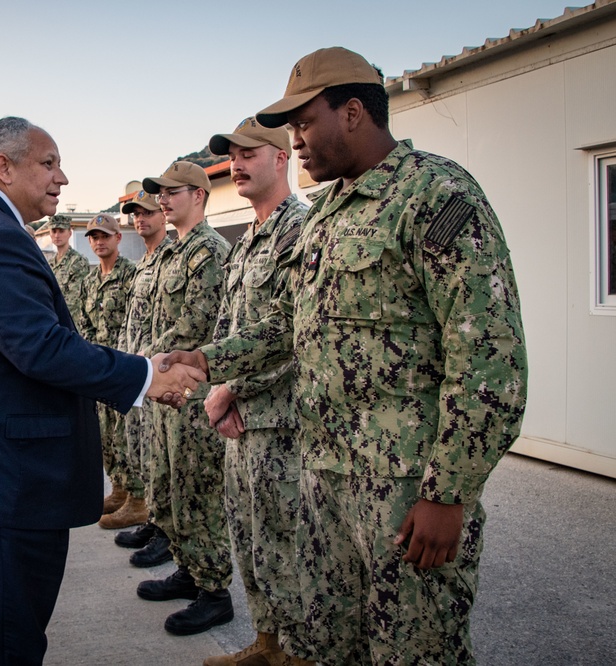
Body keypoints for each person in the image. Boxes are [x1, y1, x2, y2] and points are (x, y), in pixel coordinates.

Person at [165, 47, 528, 665]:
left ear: (354, 112)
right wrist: (206, 357)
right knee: (330, 647)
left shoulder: (435, 195)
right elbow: (291, 324)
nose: (297, 141)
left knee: (414, 650)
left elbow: (490, 364)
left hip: (404, 492)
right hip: (324, 482)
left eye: (305, 124)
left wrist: (448, 492)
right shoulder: (329, 213)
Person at [0, 116, 203, 665]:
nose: (62, 178)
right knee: (3, 638)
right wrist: (146, 377)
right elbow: (39, 347)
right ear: (3, 167)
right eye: (48, 163)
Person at [202, 118, 312, 666]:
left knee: (287, 543)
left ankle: (295, 652)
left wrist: (228, 391)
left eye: (249, 153)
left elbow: (294, 333)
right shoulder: (247, 241)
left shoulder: (302, 229)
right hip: (242, 421)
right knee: (250, 539)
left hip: (283, 424)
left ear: (281, 157)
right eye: (232, 157)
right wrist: (221, 390)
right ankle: (267, 644)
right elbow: (228, 327)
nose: (237, 164)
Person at [136, 161, 234, 637]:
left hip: (191, 395)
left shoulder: (208, 251)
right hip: (165, 393)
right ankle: (189, 570)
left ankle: (214, 591)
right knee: (168, 487)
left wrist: (147, 362)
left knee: (198, 491)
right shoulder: (173, 252)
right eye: (161, 193)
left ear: (199, 194)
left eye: (172, 192)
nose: (163, 200)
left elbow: (197, 323)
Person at [113, 191, 174, 564]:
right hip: (141, 375)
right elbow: (132, 321)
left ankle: (166, 533)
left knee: (167, 466)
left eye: (148, 211)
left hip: (162, 374)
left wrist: (145, 363)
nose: (141, 219)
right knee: (147, 457)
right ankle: (154, 519)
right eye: (135, 213)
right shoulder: (144, 263)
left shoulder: (172, 256)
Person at [78, 213, 143, 529]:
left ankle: (139, 498)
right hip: (98, 370)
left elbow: (136, 321)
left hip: (124, 368)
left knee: (129, 434)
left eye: (105, 235)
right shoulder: (89, 281)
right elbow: (85, 324)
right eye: (93, 236)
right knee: (106, 435)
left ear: (118, 238)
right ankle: (118, 489)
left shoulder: (131, 275)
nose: (99, 241)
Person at [47, 213, 90, 317]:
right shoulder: (50, 263)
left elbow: (75, 300)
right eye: (54, 231)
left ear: (70, 233)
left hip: (71, 321)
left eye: (61, 231)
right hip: (53, 318)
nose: (57, 235)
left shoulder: (78, 261)